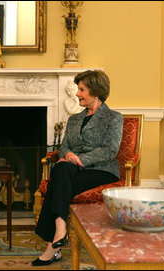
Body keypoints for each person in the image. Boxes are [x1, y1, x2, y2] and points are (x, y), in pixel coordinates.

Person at [32, 70, 123, 266]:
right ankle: (59, 231)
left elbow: (110, 150)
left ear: (96, 91)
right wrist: (68, 155)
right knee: (62, 171)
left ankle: (53, 244)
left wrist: (79, 159)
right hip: (72, 170)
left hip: (101, 170)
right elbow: (64, 146)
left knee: (59, 179)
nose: (77, 94)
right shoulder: (74, 119)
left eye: (81, 90)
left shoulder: (114, 118)